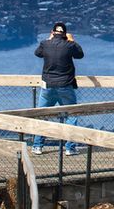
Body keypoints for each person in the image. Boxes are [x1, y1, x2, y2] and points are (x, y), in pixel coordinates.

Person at [33, 22, 84, 153]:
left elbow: (37, 53)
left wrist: (49, 39)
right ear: (65, 34)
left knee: (42, 115)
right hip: (65, 86)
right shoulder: (70, 45)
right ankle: (70, 148)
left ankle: (37, 146)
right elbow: (80, 55)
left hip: (48, 86)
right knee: (71, 116)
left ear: (52, 32)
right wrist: (72, 40)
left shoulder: (45, 44)